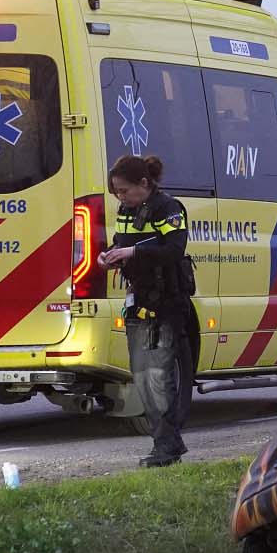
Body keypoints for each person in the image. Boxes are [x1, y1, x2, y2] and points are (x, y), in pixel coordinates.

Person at [97, 153, 197, 467]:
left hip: (165, 302)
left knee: (159, 376)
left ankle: (166, 447)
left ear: (144, 183)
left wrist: (132, 251)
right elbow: (120, 240)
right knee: (142, 376)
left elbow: (173, 249)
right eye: (116, 192)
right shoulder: (127, 209)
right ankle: (166, 445)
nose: (120, 197)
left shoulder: (168, 208)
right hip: (138, 300)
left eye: (124, 190)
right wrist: (111, 254)